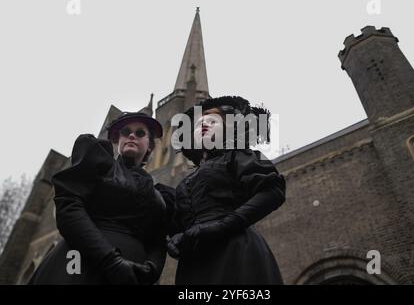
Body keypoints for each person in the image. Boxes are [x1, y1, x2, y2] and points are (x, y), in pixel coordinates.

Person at [29, 112, 175, 284]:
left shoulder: (161, 195)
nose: (132, 135)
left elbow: (157, 240)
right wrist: (109, 259)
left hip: (130, 278)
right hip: (80, 265)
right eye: (126, 131)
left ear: (150, 146)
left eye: (140, 133)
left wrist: (152, 269)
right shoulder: (99, 164)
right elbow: (69, 209)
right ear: (118, 140)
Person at [167, 96, 286, 284]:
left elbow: (273, 191)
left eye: (212, 121)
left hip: (235, 249)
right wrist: (177, 238)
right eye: (199, 124)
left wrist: (224, 225)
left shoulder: (238, 155)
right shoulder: (186, 181)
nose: (204, 124)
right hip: (195, 262)